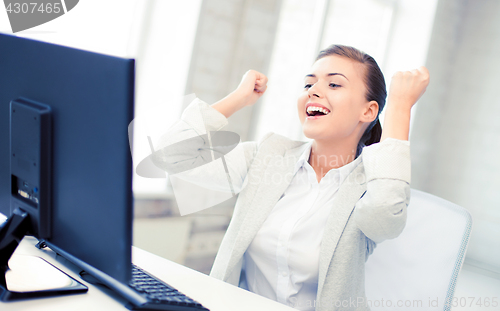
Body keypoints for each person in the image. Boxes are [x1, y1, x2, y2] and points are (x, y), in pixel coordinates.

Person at [153, 44, 429, 311]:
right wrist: (239, 98)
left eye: (334, 84)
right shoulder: (269, 155)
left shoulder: (373, 185)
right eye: (309, 84)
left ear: (368, 111)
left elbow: (384, 219)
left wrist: (399, 108)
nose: (314, 91)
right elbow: (171, 155)